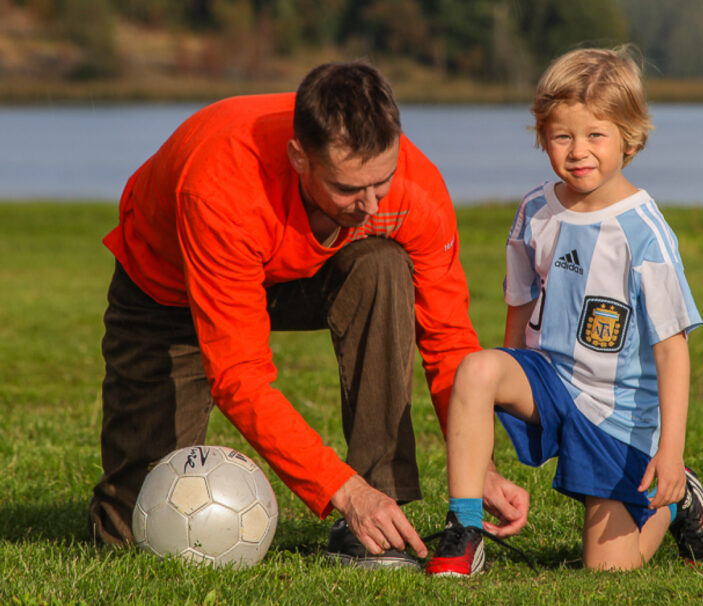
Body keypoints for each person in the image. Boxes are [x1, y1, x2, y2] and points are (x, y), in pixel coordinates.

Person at [87, 61, 529, 569]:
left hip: (305, 275)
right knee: (130, 530)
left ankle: (376, 511)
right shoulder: (221, 185)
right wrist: (341, 489)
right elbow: (240, 377)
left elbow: (448, 339)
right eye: (347, 189)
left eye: (380, 183)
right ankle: (360, 501)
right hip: (169, 293)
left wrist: (479, 464)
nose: (369, 205)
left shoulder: (414, 186)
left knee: (382, 263)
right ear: (300, 157)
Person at [425, 47, 703, 577]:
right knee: (475, 367)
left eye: (596, 135)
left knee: (610, 569)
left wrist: (671, 451)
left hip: (618, 412)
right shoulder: (534, 211)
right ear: (542, 136)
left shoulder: (644, 231)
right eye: (563, 136)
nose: (578, 151)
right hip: (550, 381)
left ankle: (676, 503)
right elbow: (517, 315)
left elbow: (672, 349)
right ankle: (464, 530)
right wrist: (495, 404)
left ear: (629, 138)